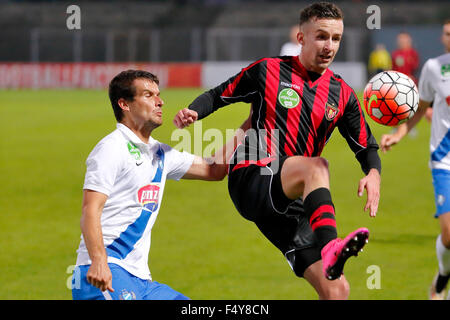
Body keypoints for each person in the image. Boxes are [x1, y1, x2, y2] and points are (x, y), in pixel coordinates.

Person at [173, 2, 381, 300]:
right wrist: (193, 112)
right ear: (301, 38)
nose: (329, 46)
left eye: (336, 39)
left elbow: (366, 146)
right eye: (321, 36)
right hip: (252, 173)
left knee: (337, 291)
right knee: (317, 167)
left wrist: (373, 172)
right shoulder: (269, 70)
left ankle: (327, 250)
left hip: (292, 198)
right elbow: (218, 95)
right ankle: (331, 244)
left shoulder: (343, 94)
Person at [71, 70, 249, 300]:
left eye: (158, 94)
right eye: (148, 95)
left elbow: (213, 169)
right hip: (105, 273)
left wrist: (250, 122)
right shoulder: (111, 148)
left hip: (141, 280)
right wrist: (98, 262)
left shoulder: (160, 152)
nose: (160, 101)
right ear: (124, 104)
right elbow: (90, 210)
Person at [380, 20, 450, 300]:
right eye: (447, 33)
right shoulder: (435, 68)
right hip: (444, 160)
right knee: (448, 235)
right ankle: (443, 275)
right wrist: (399, 134)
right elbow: (421, 108)